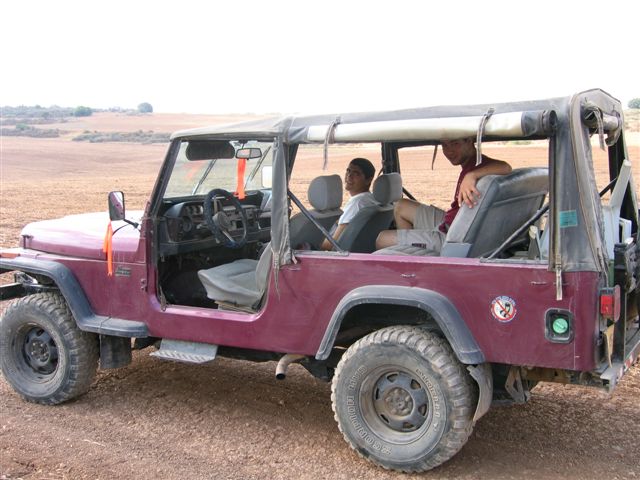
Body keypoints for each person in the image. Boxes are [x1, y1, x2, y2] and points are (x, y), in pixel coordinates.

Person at [375, 138, 512, 253]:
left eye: (455, 144)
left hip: (452, 237)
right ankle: (410, 251)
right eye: (445, 145)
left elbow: (506, 167)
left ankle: (419, 254)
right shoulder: (476, 164)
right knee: (401, 206)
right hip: (451, 222)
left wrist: (472, 175)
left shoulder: (478, 167)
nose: (449, 151)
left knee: (382, 239)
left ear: (470, 141)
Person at [320, 157, 378, 250]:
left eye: (356, 173)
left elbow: (332, 244)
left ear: (368, 180)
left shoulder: (357, 203)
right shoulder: (371, 199)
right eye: (348, 171)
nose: (349, 176)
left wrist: (312, 242)